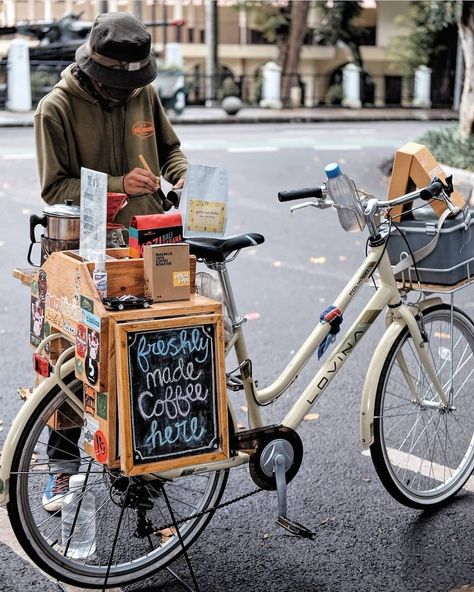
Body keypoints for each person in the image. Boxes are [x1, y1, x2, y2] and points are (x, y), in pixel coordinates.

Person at [35, 11, 188, 512]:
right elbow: (55, 188)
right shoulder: (55, 108)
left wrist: (181, 175)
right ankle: (61, 470)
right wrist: (120, 182)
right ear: (96, 74)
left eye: (132, 84)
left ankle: (143, 465)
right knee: (78, 359)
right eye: (116, 85)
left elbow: (170, 149)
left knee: (153, 355)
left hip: (149, 242)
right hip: (84, 249)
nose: (126, 93)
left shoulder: (141, 92)